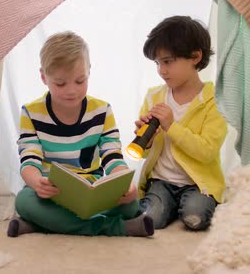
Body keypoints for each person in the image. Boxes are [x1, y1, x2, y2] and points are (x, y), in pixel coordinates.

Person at [8, 31, 154, 237]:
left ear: (89, 72)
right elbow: (29, 161)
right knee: (24, 201)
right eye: (60, 83)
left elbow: (113, 159)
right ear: (44, 77)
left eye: (80, 81)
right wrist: (36, 183)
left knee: (131, 203)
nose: (71, 90)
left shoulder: (102, 111)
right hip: (51, 193)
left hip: (92, 192)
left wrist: (124, 184)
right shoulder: (31, 112)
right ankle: (116, 228)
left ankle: (41, 224)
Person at [136, 16, 227, 231]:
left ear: (195, 56)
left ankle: (188, 207)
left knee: (195, 217)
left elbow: (207, 151)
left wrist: (172, 127)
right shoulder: (153, 98)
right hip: (160, 182)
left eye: (167, 61)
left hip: (198, 184)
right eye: (157, 63)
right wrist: (144, 141)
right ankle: (163, 206)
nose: (161, 70)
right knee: (150, 219)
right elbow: (141, 153)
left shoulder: (213, 101)